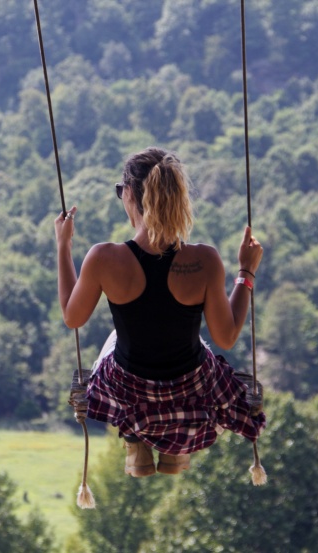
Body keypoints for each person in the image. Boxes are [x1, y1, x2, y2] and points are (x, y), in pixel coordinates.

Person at [54, 147, 265, 477]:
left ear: (130, 196)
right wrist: (246, 273)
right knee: (203, 347)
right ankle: (177, 450)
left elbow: (72, 316)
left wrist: (63, 246)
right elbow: (226, 336)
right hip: (191, 390)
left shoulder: (104, 259)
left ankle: (135, 440)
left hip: (128, 390)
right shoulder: (205, 261)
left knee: (113, 341)